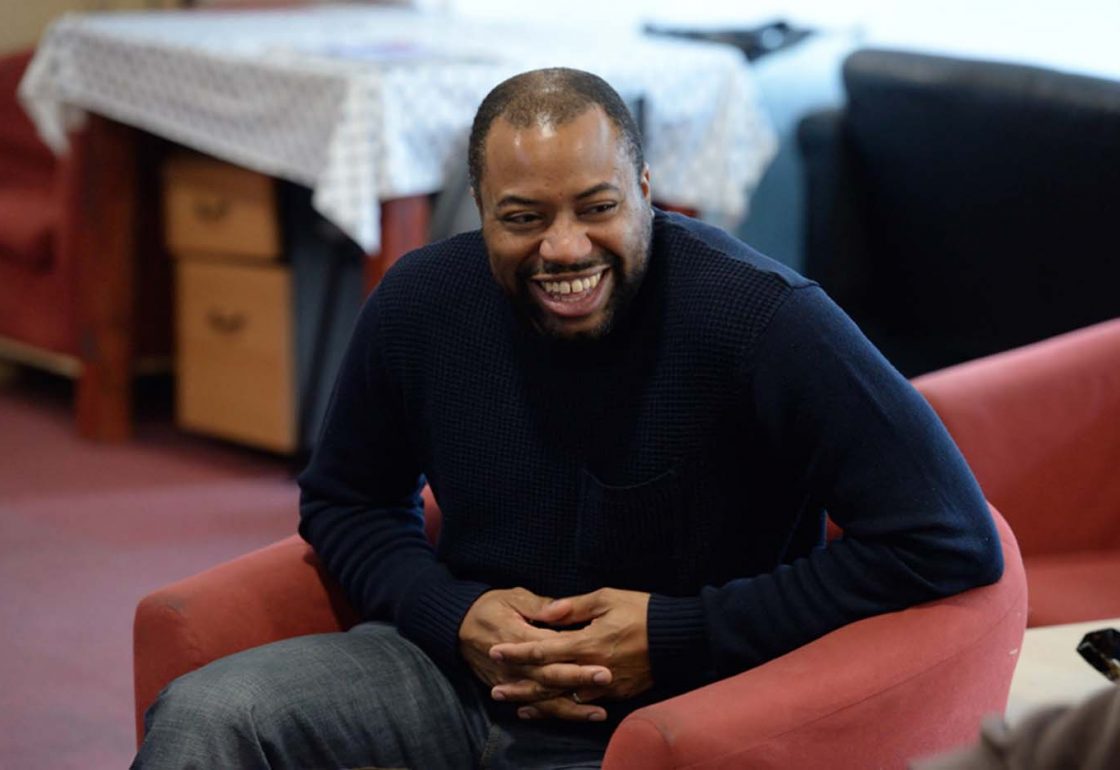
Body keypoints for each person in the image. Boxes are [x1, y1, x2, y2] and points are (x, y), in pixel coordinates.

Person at [133, 67, 1003, 769]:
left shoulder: (763, 318)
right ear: (480, 212)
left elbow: (947, 537)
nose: (565, 249)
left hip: (672, 712)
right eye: (523, 218)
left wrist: (678, 634)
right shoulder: (421, 302)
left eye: (598, 207)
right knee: (211, 715)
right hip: (452, 673)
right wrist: (452, 614)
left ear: (647, 189)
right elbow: (345, 500)